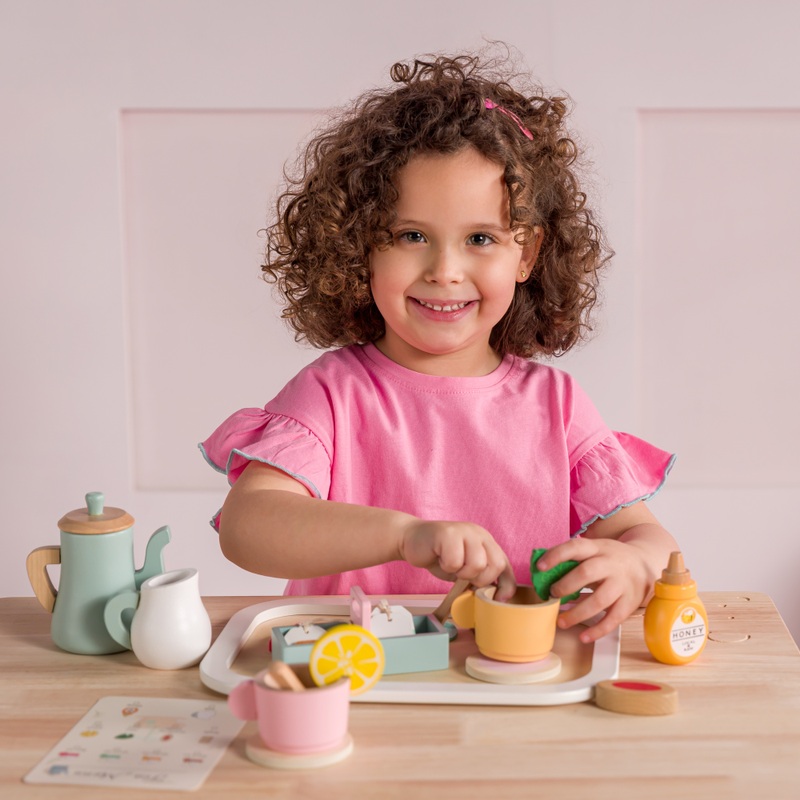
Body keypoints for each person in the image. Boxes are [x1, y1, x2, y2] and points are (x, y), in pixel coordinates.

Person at [200, 51, 678, 644]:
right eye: (411, 236)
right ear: (360, 246)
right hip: (355, 680)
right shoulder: (332, 395)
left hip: (511, 682)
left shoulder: (557, 405)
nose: (445, 270)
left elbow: (651, 541)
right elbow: (248, 528)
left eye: (481, 237)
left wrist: (634, 565)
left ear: (526, 254)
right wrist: (404, 537)